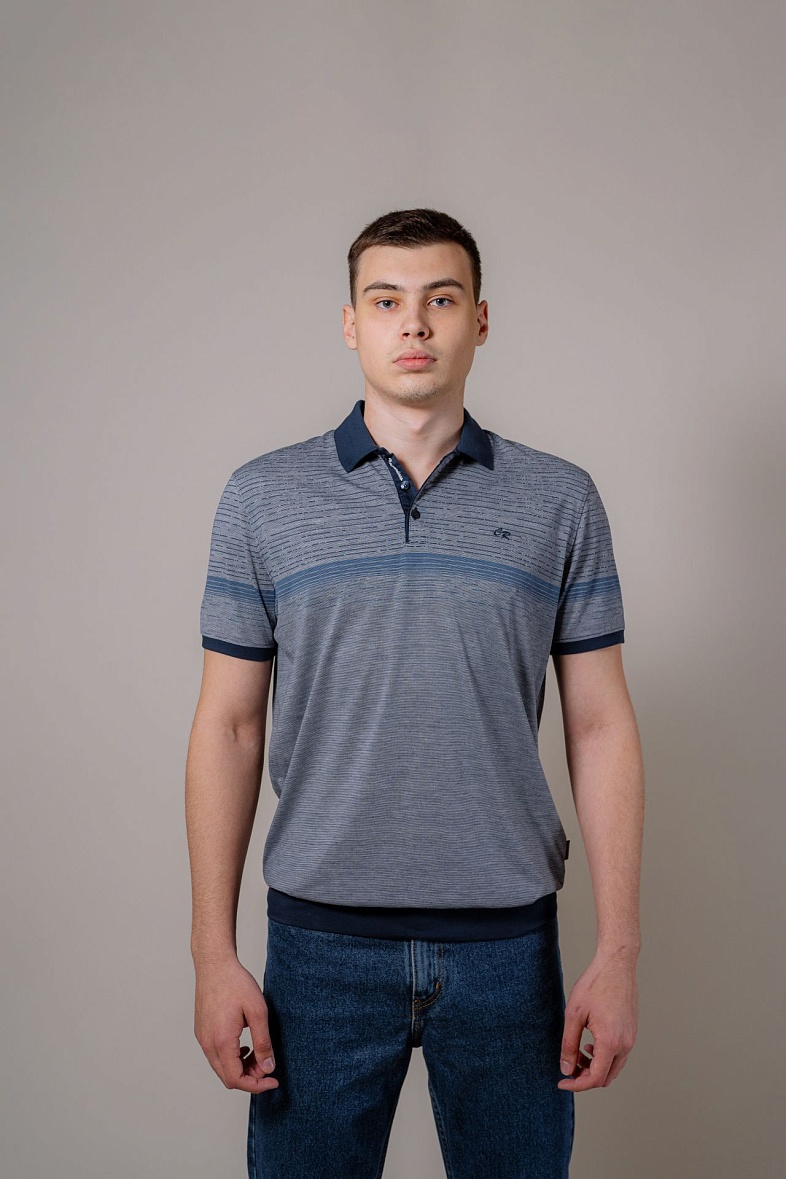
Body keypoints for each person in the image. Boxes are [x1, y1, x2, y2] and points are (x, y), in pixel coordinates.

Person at [185, 207, 644, 1178]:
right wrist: (213, 957)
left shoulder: (561, 499)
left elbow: (600, 727)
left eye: (441, 299)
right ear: (351, 323)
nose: (415, 324)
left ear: (481, 319)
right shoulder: (263, 498)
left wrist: (618, 952)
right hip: (319, 948)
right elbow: (228, 727)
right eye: (387, 301)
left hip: (508, 951)